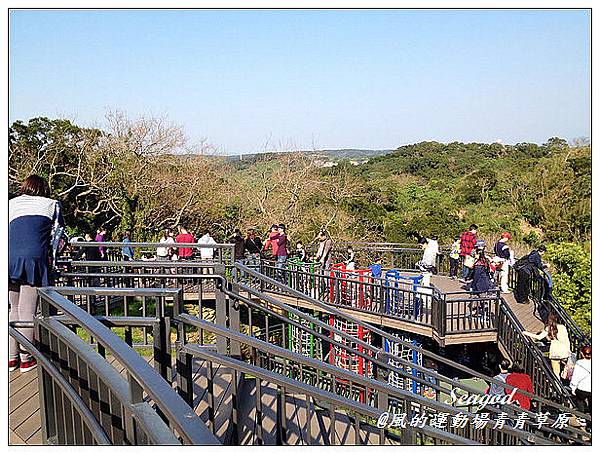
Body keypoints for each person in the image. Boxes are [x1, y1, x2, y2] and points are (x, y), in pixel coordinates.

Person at [9, 175, 65, 372]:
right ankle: (26, 358)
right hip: (34, 258)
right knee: (27, 310)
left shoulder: (10, 204)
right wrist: (53, 262)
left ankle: (10, 357)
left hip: (8, 258)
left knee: (13, 307)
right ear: (44, 189)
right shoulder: (52, 204)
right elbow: (58, 236)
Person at [523, 313, 571, 377]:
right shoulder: (562, 327)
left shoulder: (549, 328)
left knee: (556, 372)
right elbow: (566, 340)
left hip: (554, 350)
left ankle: (557, 384)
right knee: (565, 367)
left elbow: (539, 337)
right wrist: (568, 349)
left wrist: (526, 333)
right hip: (563, 349)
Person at [570, 345, 591, 421]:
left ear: (582, 353)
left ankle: (581, 416)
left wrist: (573, 387)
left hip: (582, 388)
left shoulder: (579, 363)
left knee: (579, 400)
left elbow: (576, 376)